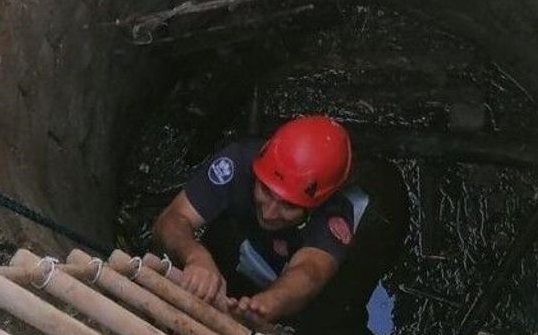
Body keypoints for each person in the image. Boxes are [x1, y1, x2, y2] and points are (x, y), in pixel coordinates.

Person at [152, 115, 409, 335]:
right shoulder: (238, 161)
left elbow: (310, 272)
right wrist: (196, 256)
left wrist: (265, 305)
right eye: (265, 190)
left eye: (289, 205)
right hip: (245, 242)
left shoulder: (336, 213)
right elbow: (172, 220)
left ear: (317, 204)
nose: (269, 211)